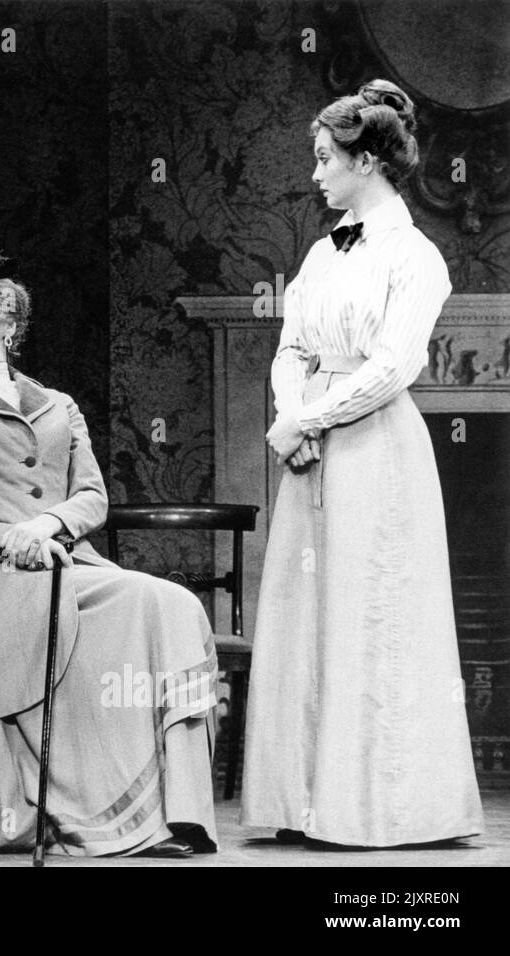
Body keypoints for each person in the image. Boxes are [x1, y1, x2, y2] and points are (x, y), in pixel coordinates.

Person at [0, 251, 218, 857]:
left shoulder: (59, 406)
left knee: (165, 602)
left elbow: (92, 496)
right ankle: (45, 814)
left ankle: (171, 812)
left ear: (9, 325)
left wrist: (46, 526)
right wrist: (8, 540)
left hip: (69, 562)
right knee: (31, 621)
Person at [240, 80, 483, 847]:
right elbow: (292, 349)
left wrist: (310, 416)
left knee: (372, 616)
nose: (315, 174)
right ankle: (302, 799)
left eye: (324, 158)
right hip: (310, 449)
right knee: (308, 616)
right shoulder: (320, 251)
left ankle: (380, 807)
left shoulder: (417, 256)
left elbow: (393, 366)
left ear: (367, 159)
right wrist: (289, 417)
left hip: (375, 447)